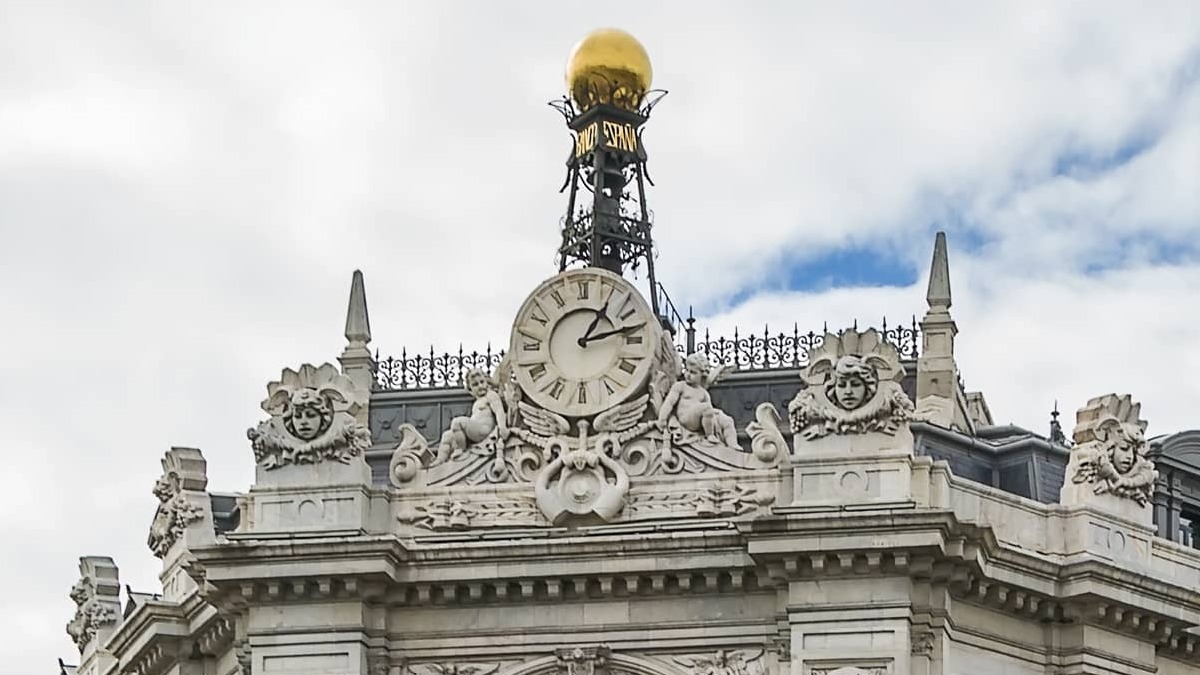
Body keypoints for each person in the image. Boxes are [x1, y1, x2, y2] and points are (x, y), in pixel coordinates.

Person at [657, 353, 737, 447]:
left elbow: (710, 413)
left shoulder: (703, 392)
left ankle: (733, 445)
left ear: (702, 375)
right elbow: (669, 403)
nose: (688, 375)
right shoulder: (680, 386)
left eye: (693, 372)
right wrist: (662, 419)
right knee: (706, 408)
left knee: (727, 420)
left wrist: (719, 417)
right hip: (686, 419)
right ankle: (709, 435)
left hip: (699, 419)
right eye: (687, 370)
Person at [437, 368, 509, 462]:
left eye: (482, 382)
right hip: (475, 431)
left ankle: (461, 450)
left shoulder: (490, 395)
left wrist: (502, 427)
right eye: (475, 384)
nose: (480, 386)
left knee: (456, 422)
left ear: (487, 382)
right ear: (470, 390)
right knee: (447, 435)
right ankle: (439, 461)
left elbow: (499, 410)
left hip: (484, 430)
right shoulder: (477, 402)